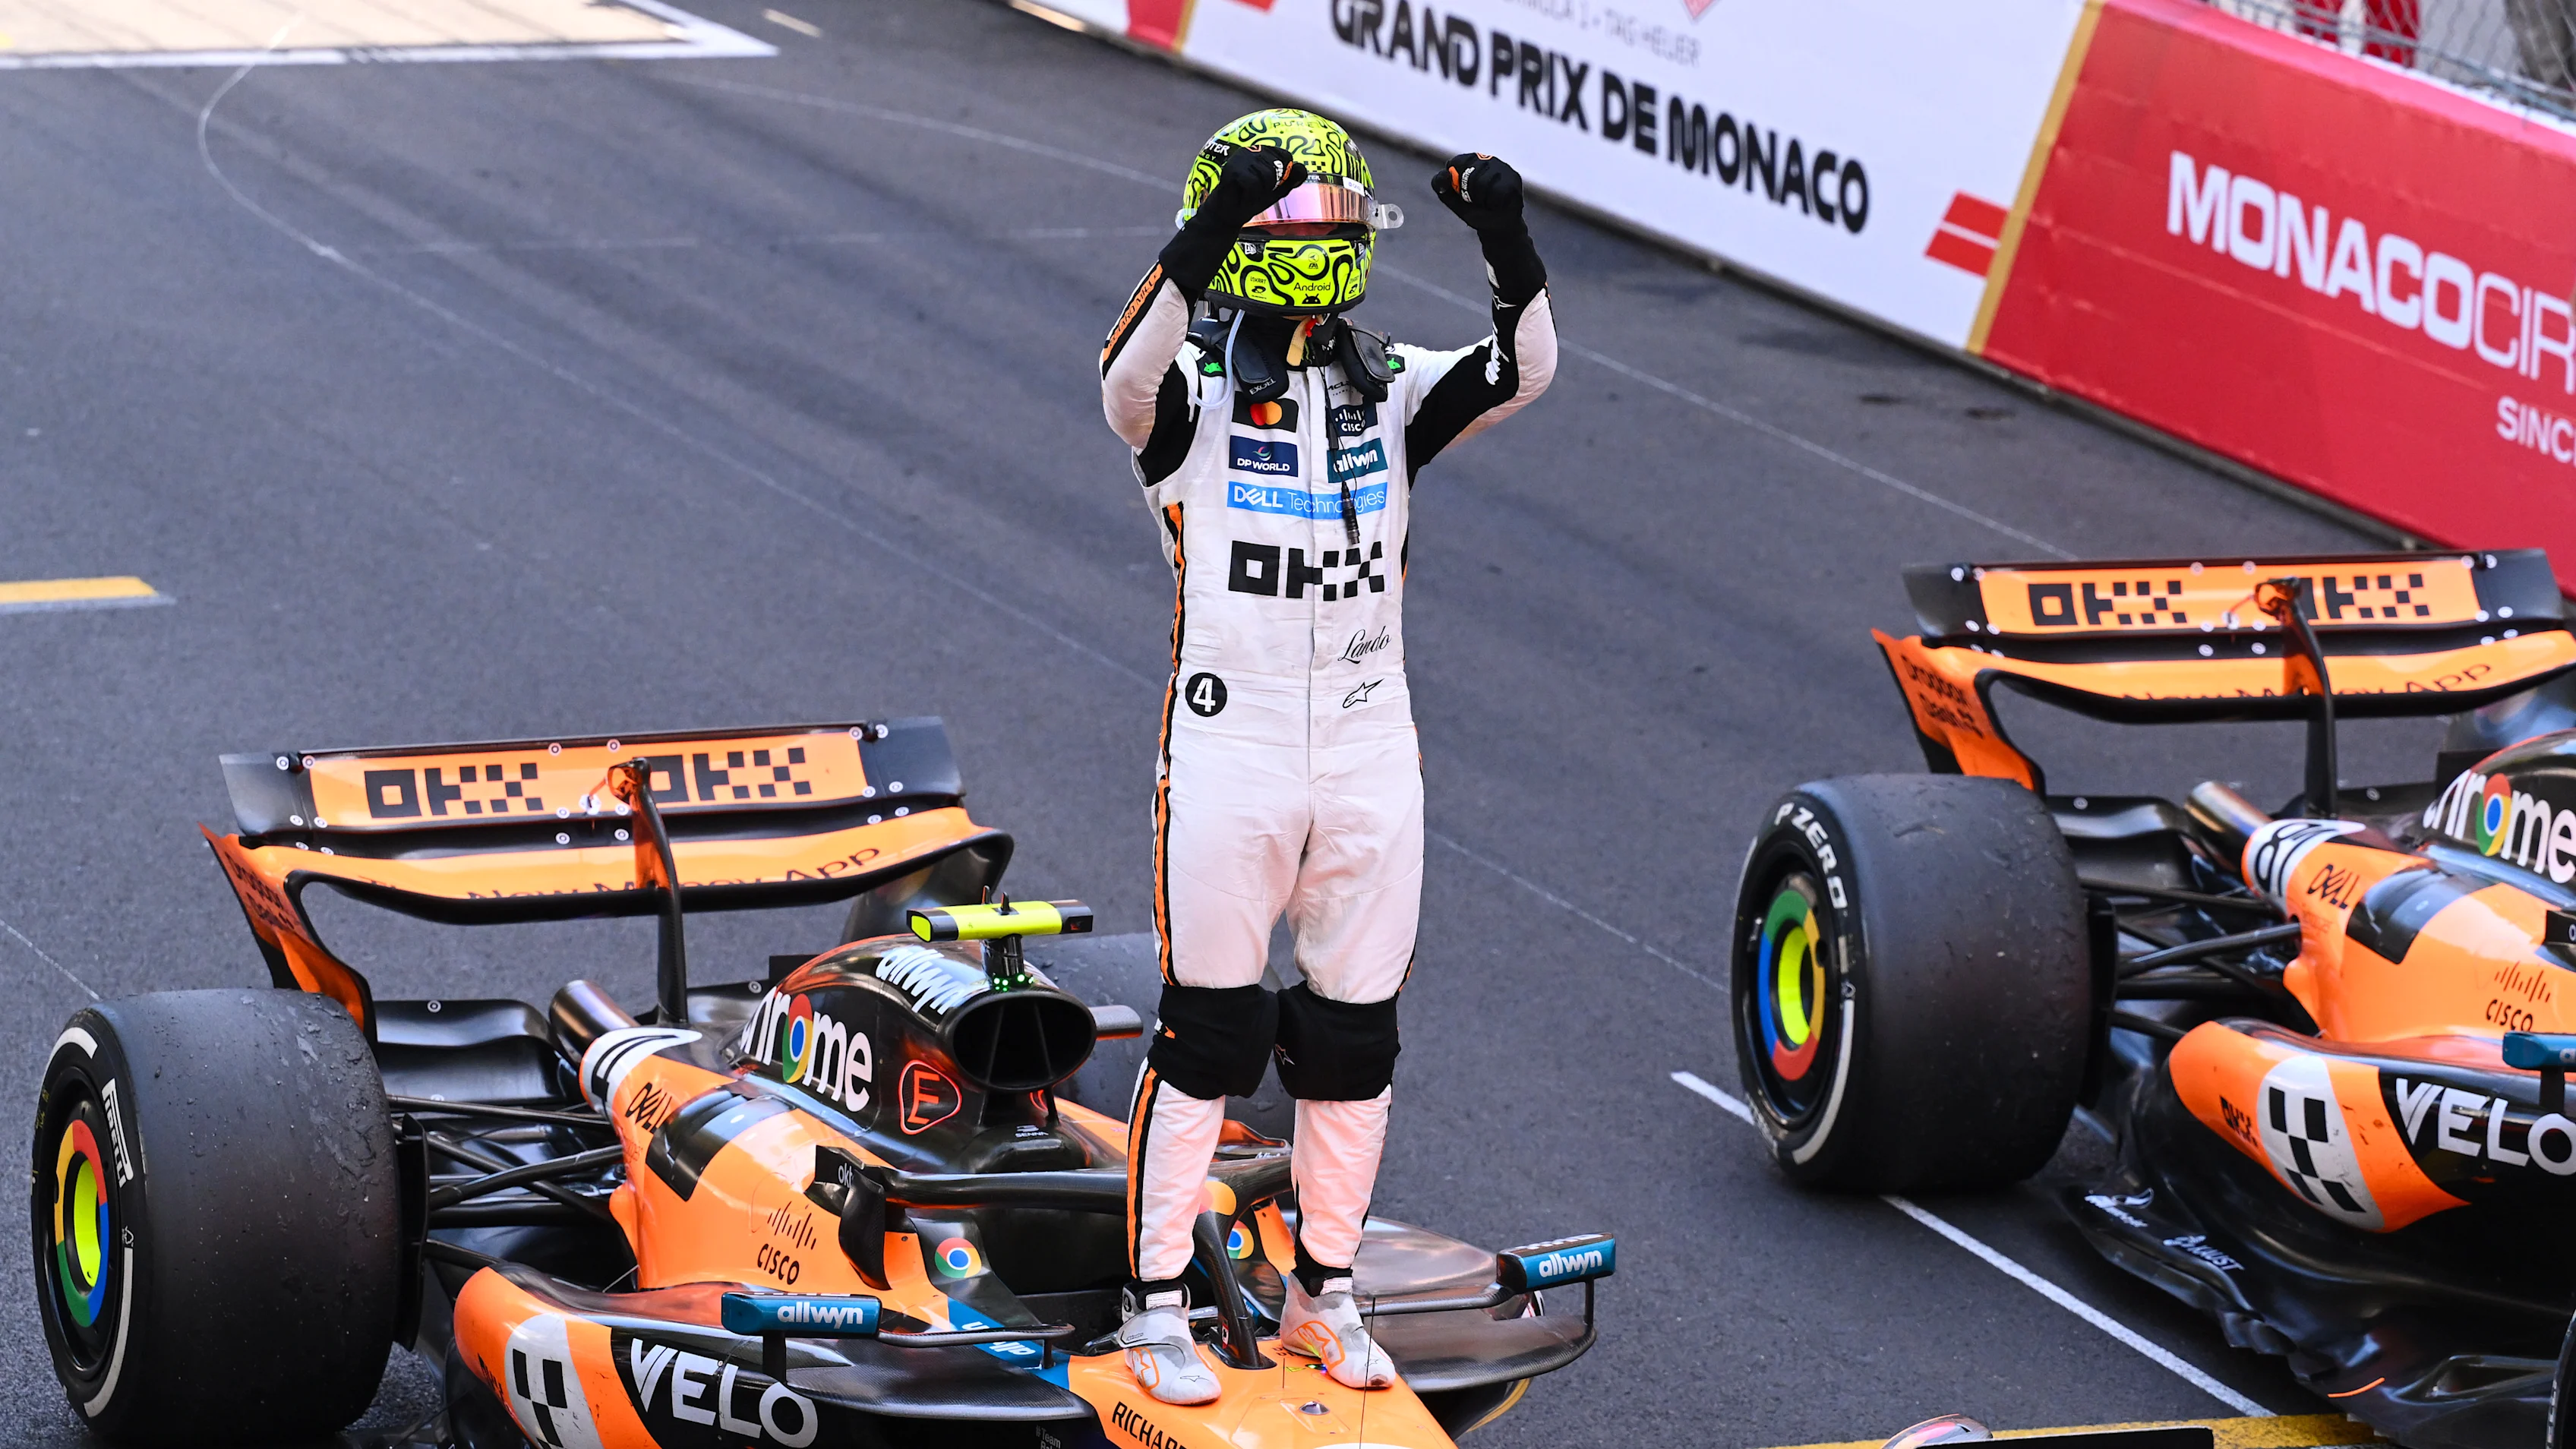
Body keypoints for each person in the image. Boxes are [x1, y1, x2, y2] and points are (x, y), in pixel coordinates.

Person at [1097, 108, 1555, 1406]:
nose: (1322, 238)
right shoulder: (1182, 397)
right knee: (1210, 1036)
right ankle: (1153, 1312)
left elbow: (1519, 370)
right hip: (1229, 742)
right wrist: (1196, 240)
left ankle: (1325, 1294)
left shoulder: (1393, 382)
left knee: (1356, 1044)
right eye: (1291, 214)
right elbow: (1121, 382)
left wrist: (1510, 246)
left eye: (1336, 215)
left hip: (1370, 745)